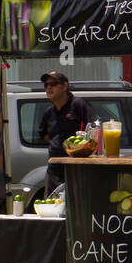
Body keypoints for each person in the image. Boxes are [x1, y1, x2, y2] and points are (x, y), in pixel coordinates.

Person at [38, 70, 91, 198]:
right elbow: (44, 135)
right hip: (54, 170)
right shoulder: (49, 112)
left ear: (65, 86)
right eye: (46, 85)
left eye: (53, 84)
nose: (49, 87)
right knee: (51, 209)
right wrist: (57, 146)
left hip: (75, 169)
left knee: (74, 209)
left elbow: (91, 130)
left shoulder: (78, 105)